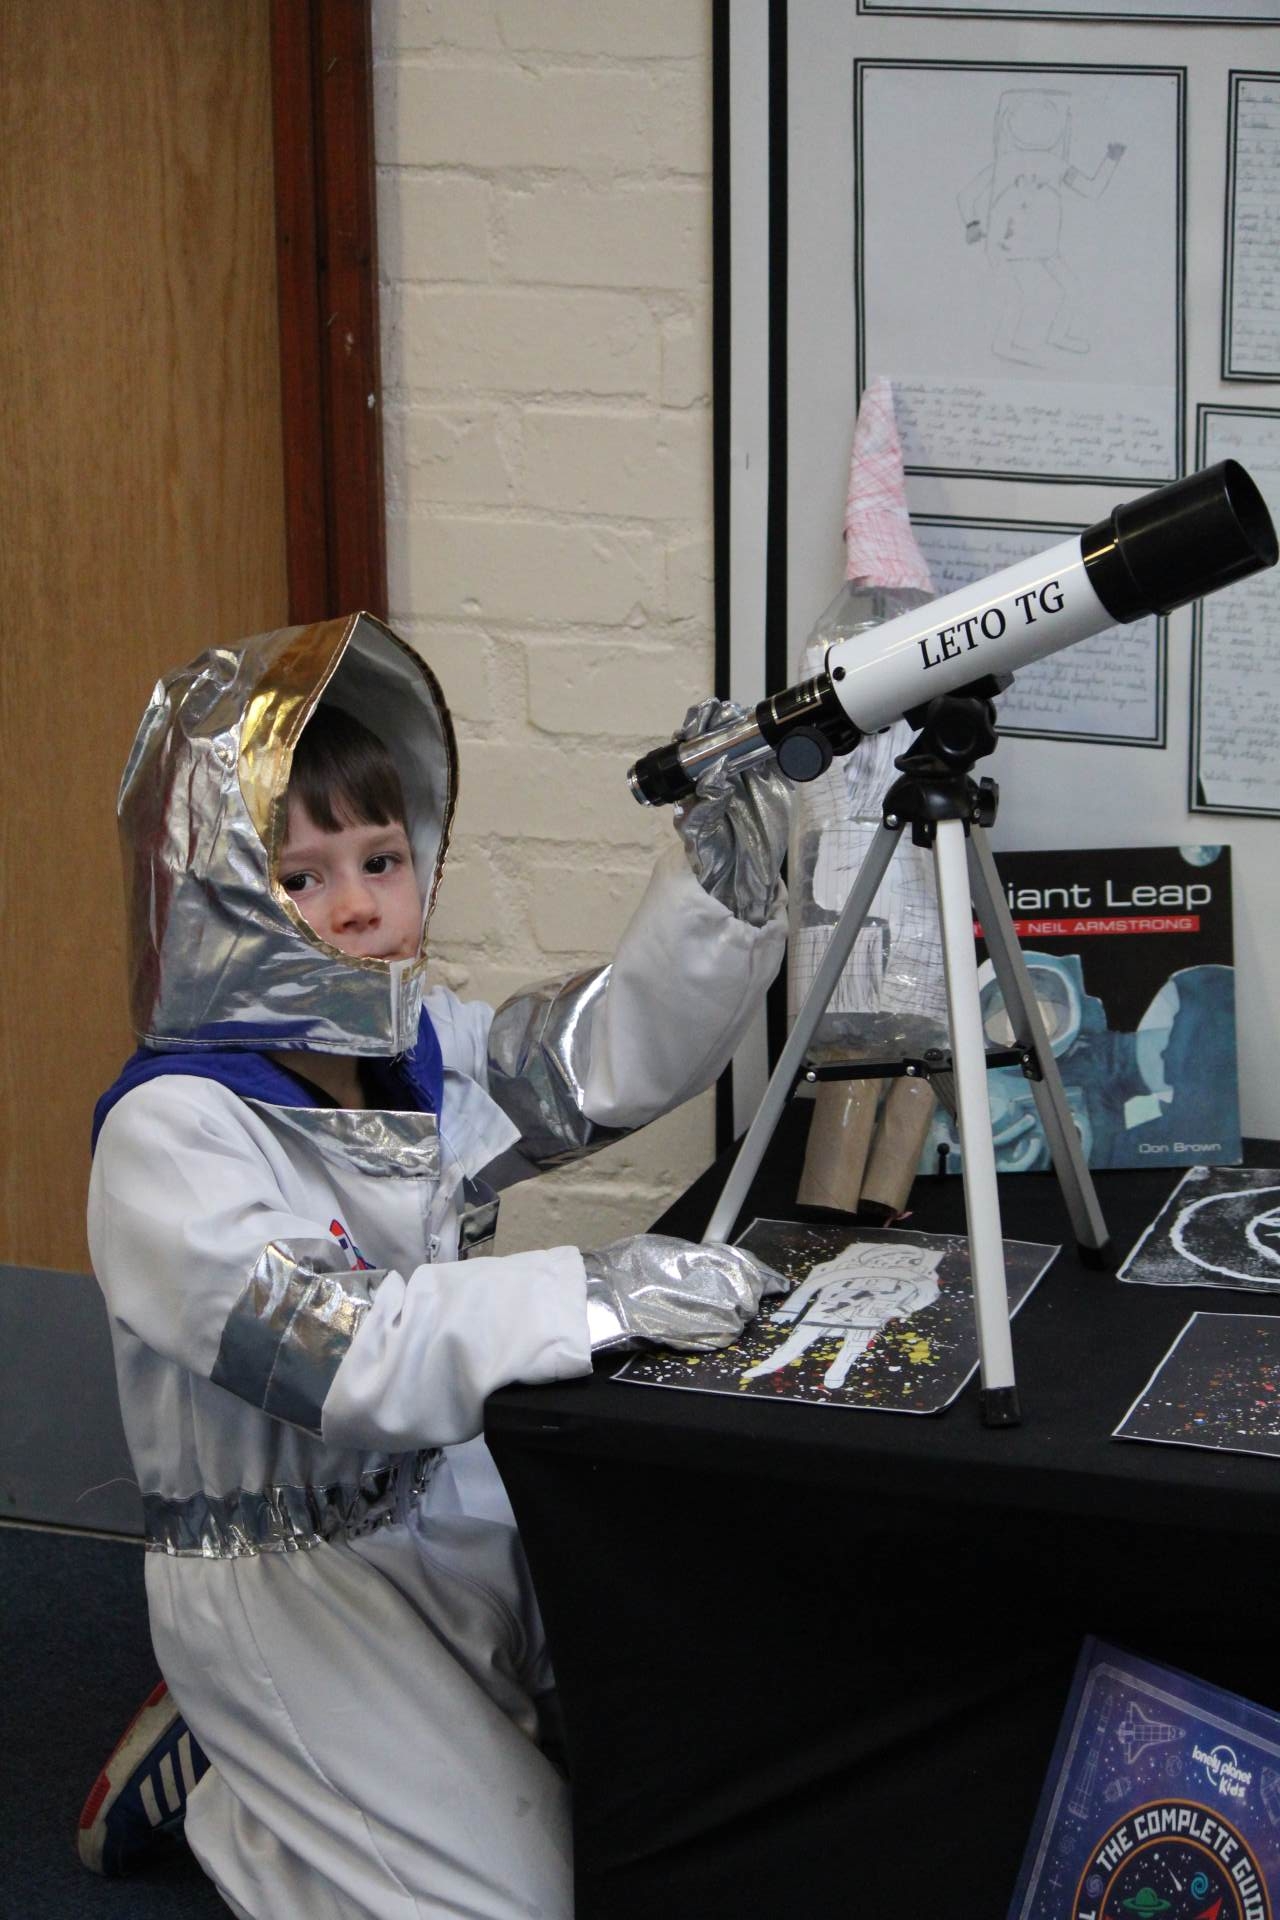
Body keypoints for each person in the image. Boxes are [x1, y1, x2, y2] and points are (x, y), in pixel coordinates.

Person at [78, 612, 790, 1918]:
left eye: (381, 859)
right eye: (298, 879)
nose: (358, 906)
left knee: (685, 1739)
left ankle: (290, 1770)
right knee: (518, 1905)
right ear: (212, 900)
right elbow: (337, 1354)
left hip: (445, 1504)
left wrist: (722, 894)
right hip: (284, 1586)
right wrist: (596, 1291)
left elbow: (596, 1060)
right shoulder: (170, 1138)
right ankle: (249, 1797)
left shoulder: (413, 1052)